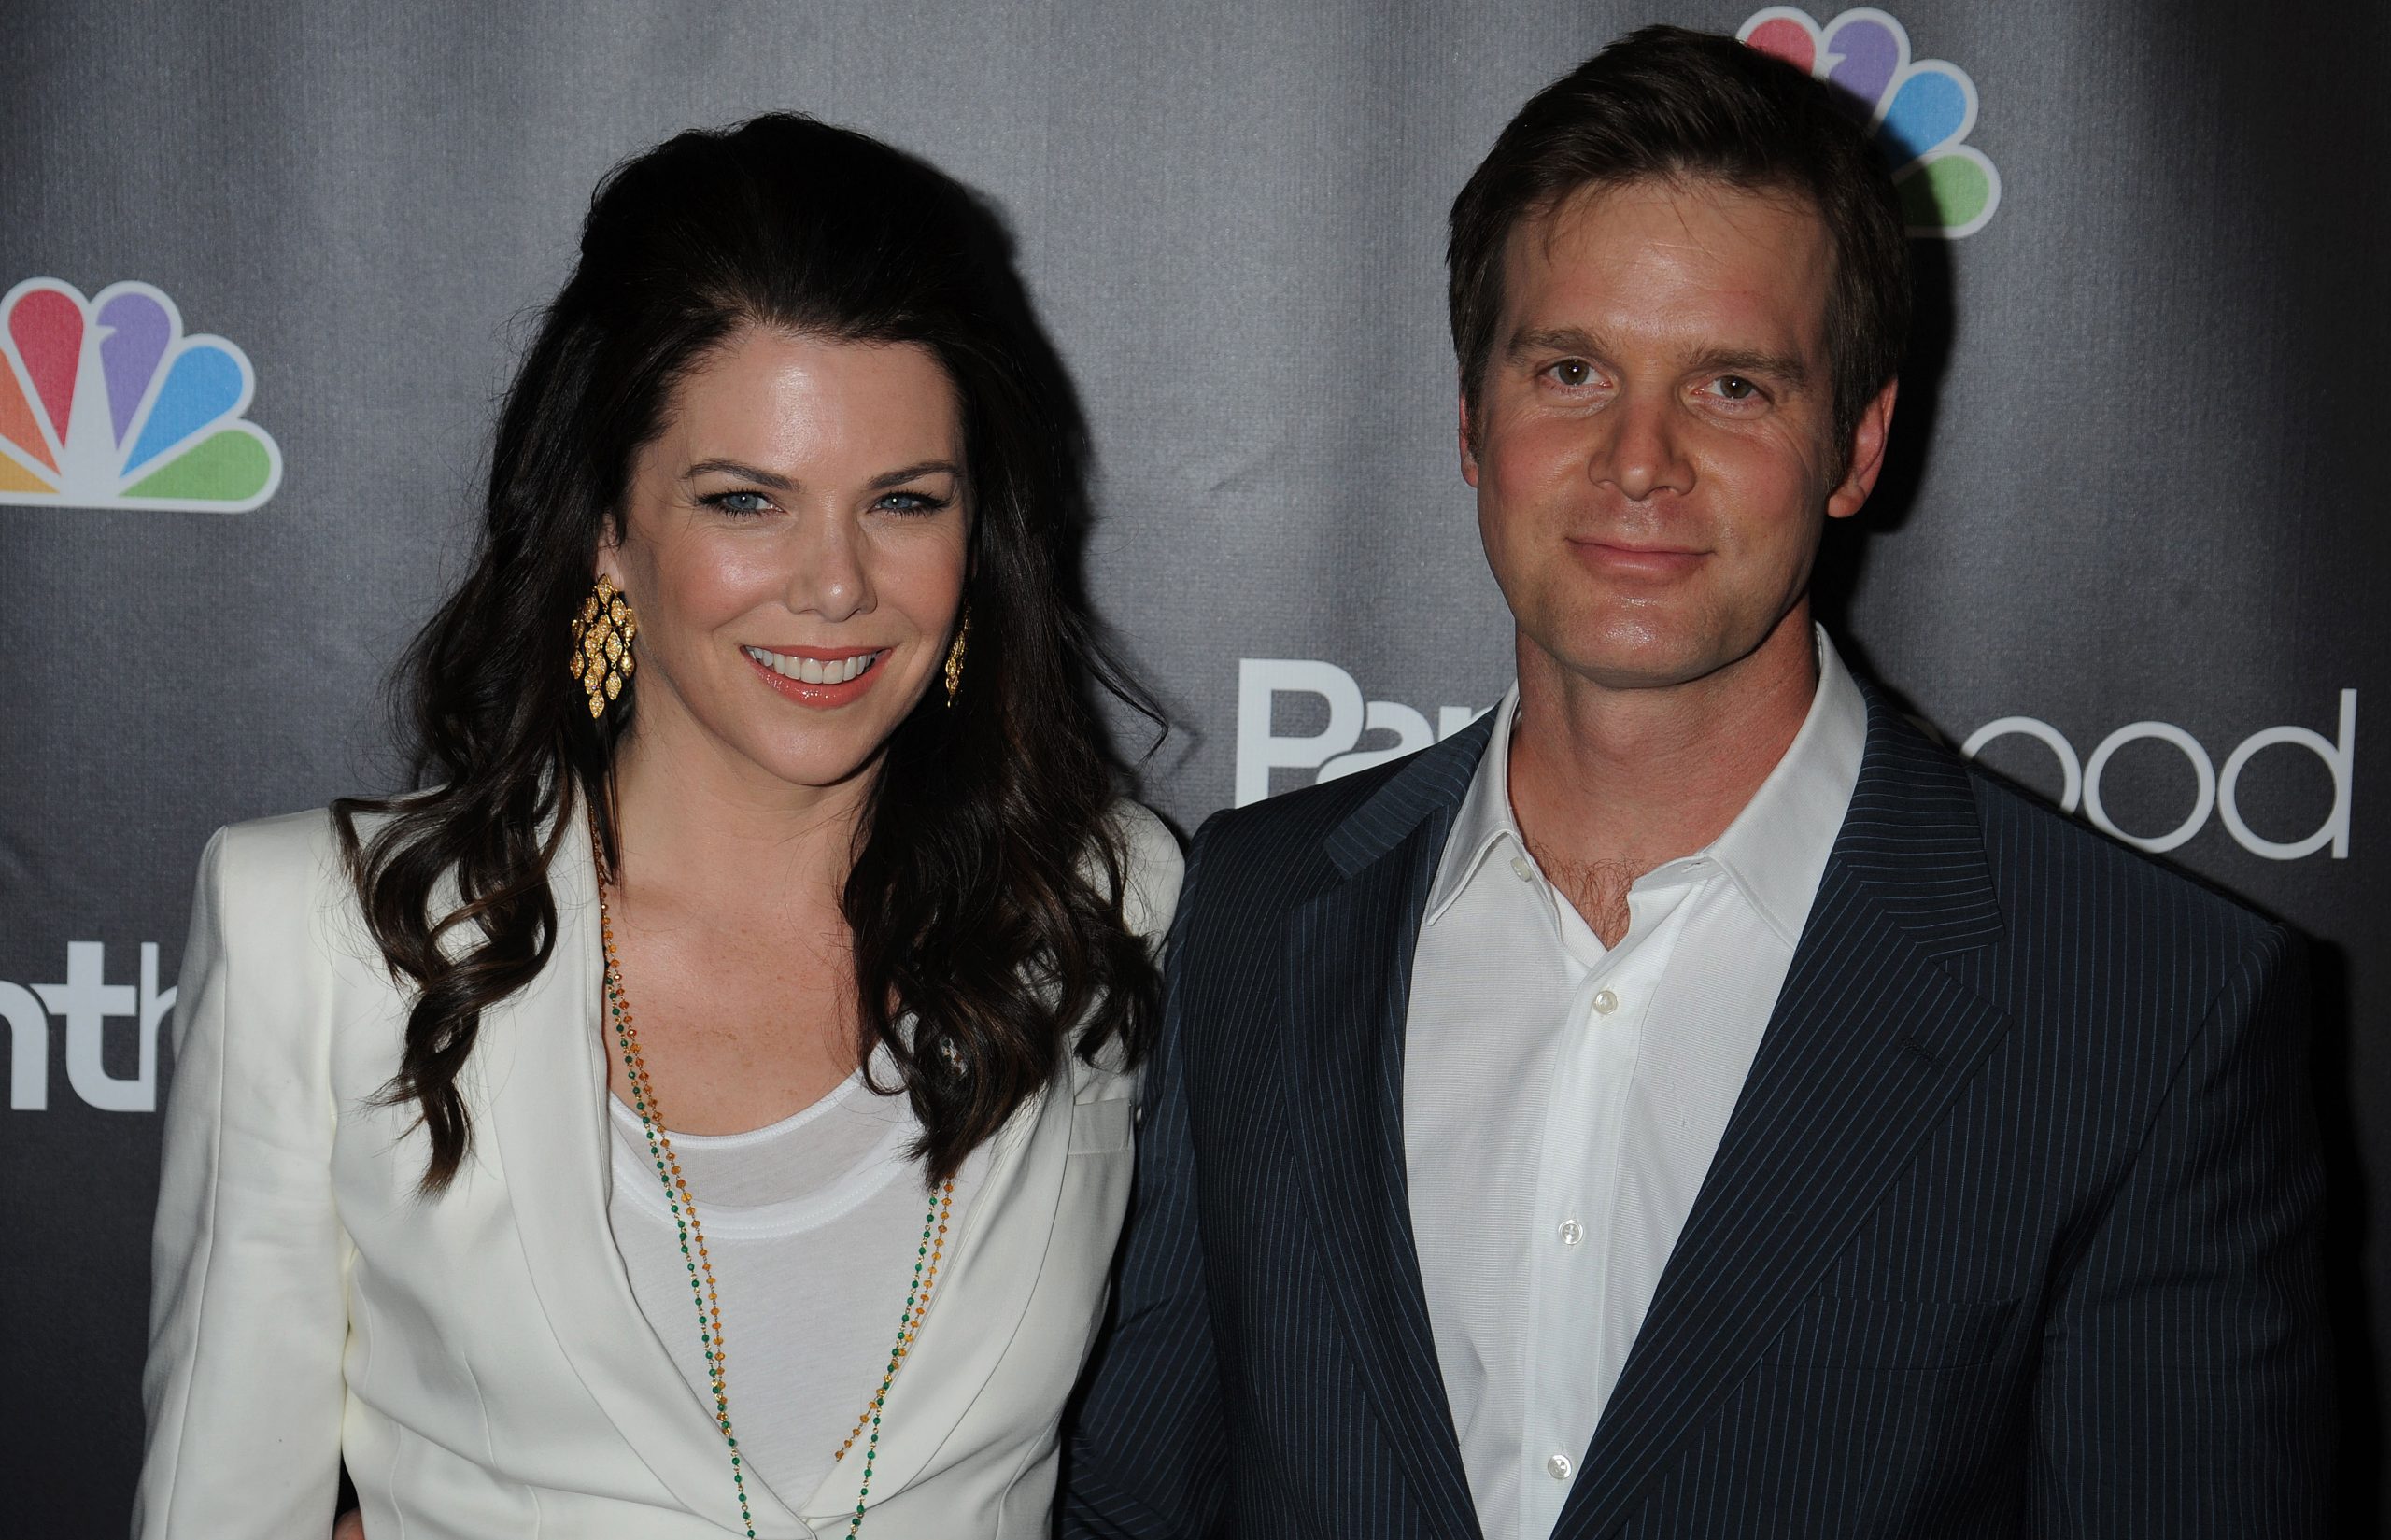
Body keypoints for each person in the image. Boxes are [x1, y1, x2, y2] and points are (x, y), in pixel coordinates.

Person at [1064, 25, 2328, 1539]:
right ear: (1470, 423)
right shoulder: (1257, 909)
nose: (1638, 458)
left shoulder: (2145, 1009)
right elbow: (1134, 1505)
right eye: (1572, 369)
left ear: (1856, 445)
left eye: (1732, 385)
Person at [134, 113, 1180, 1540]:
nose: (835, 584)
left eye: (904, 501)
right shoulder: (326, 938)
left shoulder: (1105, 905)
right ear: (607, 534)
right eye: (747, 500)